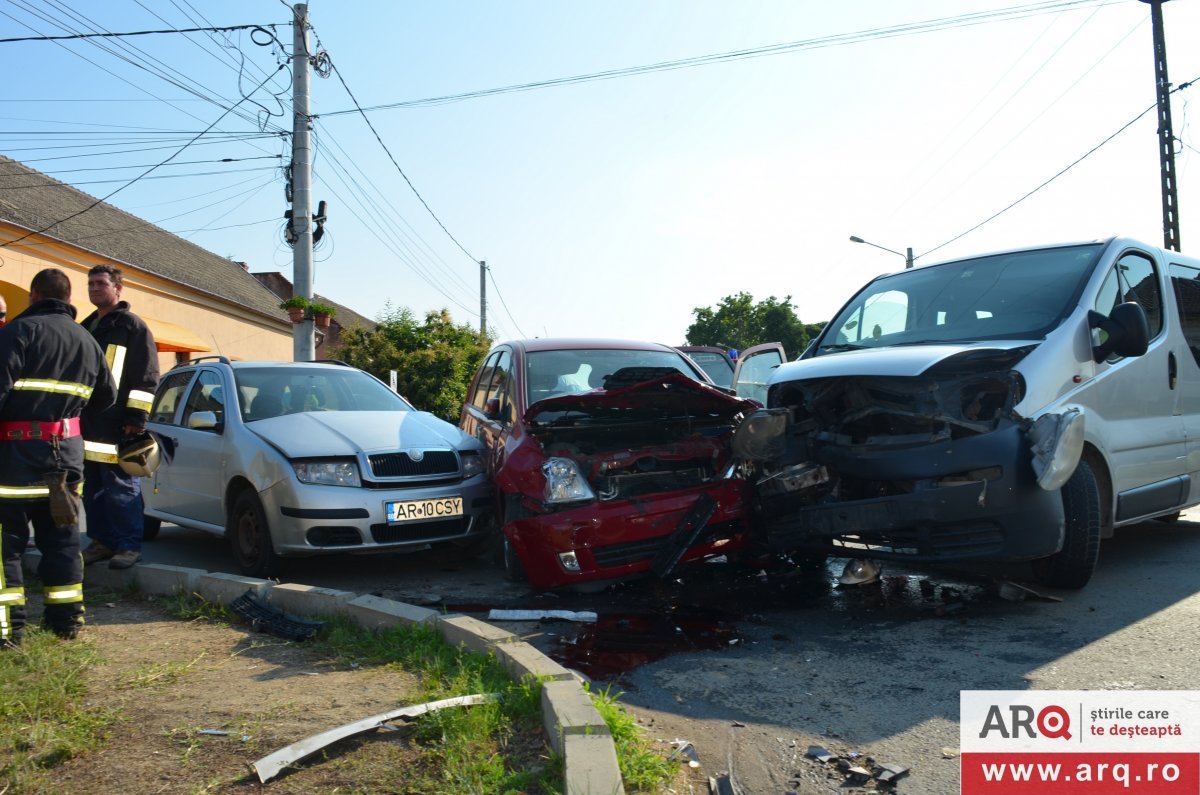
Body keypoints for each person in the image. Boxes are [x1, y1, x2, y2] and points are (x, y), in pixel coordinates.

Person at [0, 268, 117, 646]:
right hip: (66, 459)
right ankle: (65, 623)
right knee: (62, 540)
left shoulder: (17, 333)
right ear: (69, 300)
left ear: (34, 296)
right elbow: (107, 398)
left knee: (7, 544)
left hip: (14, 458)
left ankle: (8, 630)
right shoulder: (87, 338)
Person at [79, 264, 159, 570]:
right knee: (93, 489)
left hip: (118, 425)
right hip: (88, 425)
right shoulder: (87, 326)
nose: (94, 288)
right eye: (91, 284)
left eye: (100, 283)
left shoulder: (132, 327)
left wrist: (135, 420)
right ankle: (101, 543)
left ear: (118, 289)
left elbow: (146, 376)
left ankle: (128, 546)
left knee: (121, 488)